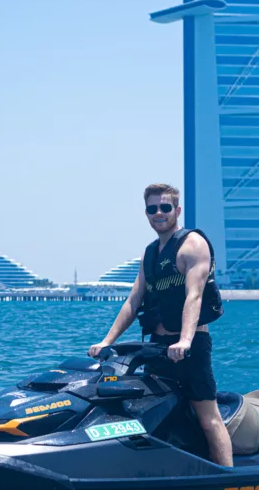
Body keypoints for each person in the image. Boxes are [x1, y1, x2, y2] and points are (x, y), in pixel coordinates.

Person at [88, 183, 233, 467]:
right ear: (146, 214)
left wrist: (186, 341)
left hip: (190, 347)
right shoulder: (150, 253)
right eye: (152, 208)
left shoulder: (192, 244)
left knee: (208, 417)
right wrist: (107, 341)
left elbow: (194, 295)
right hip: (157, 347)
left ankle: (228, 477)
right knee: (155, 409)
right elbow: (132, 302)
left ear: (176, 211)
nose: (159, 213)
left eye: (165, 207)